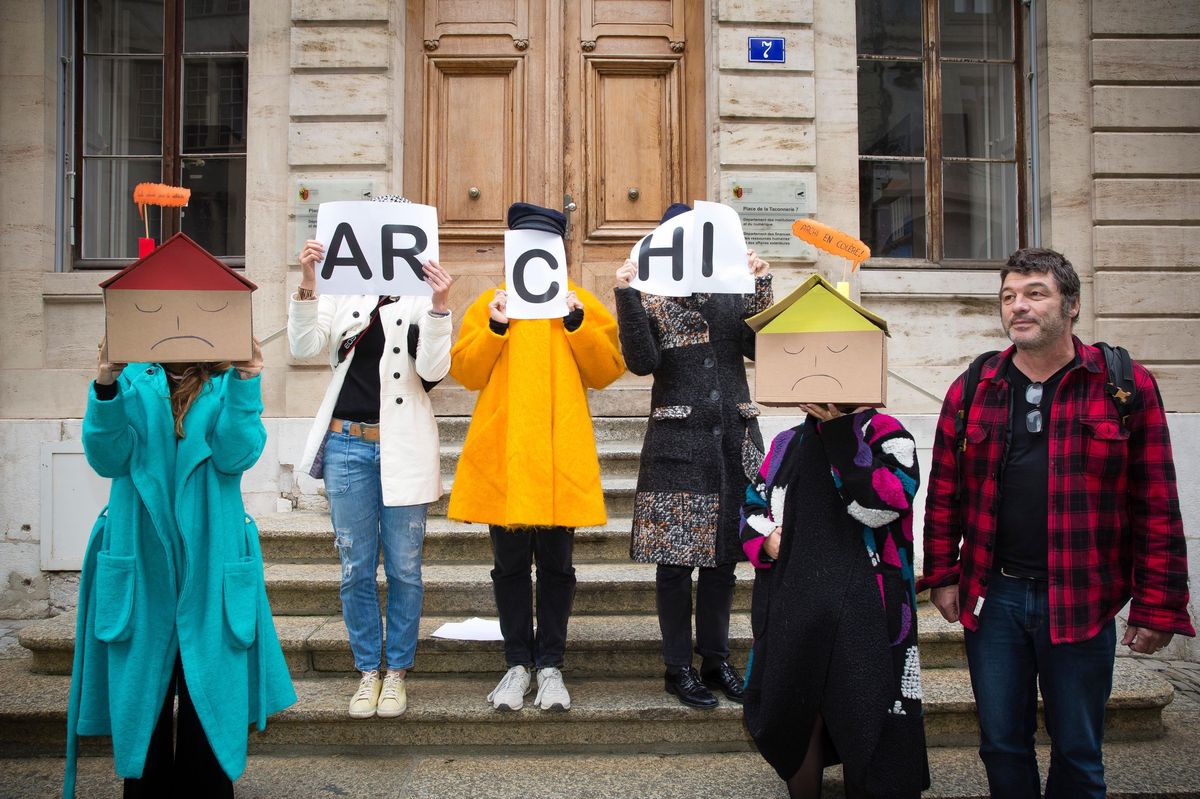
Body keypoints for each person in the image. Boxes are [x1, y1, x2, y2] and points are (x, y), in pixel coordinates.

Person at [921, 247, 1194, 797]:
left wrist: (1158, 604)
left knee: (1078, 751)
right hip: (993, 598)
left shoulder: (1123, 386)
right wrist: (942, 573)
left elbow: (1156, 501)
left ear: (1070, 305)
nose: (1018, 307)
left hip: (1082, 598)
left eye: (1034, 294)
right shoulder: (974, 388)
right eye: (1008, 297)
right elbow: (945, 492)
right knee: (1001, 744)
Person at [65, 339, 295, 798]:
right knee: (140, 707)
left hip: (210, 559)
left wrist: (248, 382)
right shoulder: (132, 376)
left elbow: (236, 457)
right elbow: (107, 458)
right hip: (141, 559)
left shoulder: (228, 379)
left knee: (207, 707)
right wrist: (106, 382)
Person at [449, 201, 625, 712]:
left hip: (556, 454)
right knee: (507, 567)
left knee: (556, 566)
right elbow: (466, 373)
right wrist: (496, 326)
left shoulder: (579, 303)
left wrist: (576, 323)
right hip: (505, 454)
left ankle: (550, 665)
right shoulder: (490, 302)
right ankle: (515, 663)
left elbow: (607, 369)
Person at [288, 195, 454, 720]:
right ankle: (367, 672)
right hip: (345, 445)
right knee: (356, 566)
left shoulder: (420, 296)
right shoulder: (345, 291)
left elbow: (434, 368)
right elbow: (303, 345)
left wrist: (441, 306)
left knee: (405, 568)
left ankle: (397, 673)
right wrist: (309, 282)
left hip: (401, 445)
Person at [612, 202, 772, 708]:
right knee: (677, 564)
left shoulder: (733, 289)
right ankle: (677, 667)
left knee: (725, 559)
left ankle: (716, 659)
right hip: (677, 444)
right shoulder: (653, 294)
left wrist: (760, 286)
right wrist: (626, 295)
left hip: (734, 440)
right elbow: (642, 362)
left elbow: (760, 347)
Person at [740, 401, 929, 798]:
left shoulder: (887, 433)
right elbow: (752, 505)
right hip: (796, 602)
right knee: (798, 708)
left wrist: (841, 433)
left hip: (869, 606)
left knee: (865, 709)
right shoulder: (786, 442)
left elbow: (885, 504)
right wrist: (767, 540)